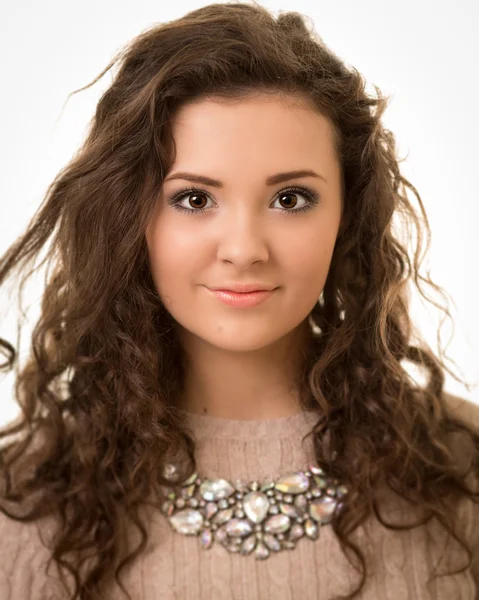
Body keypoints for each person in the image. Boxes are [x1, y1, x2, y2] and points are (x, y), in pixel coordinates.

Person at [0, 2, 477, 599]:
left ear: (347, 216)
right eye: (195, 200)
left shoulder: (463, 468)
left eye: (291, 199)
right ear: (129, 217)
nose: (245, 249)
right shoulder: (23, 501)